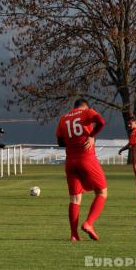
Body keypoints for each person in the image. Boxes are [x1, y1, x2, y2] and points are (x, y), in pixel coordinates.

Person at [56, 99, 107, 241]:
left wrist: (73, 141)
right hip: (86, 158)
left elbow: (60, 142)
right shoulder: (87, 112)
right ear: (85, 106)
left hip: (70, 161)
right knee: (102, 191)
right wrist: (91, 136)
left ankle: (74, 235)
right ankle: (89, 223)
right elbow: (101, 122)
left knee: (75, 198)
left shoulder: (64, 118)